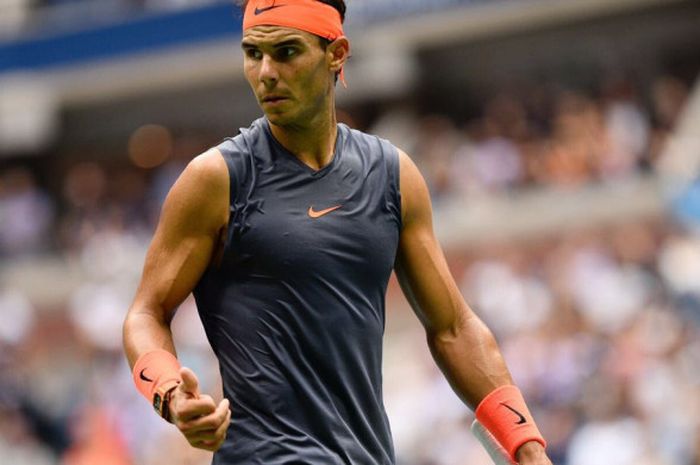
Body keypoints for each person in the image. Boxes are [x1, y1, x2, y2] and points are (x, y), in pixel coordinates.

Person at [123, 1, 553, 464]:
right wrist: (169, 393)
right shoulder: (216, 179)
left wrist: (524, 444)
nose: (265, 72)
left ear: (337, 54)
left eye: (286, 52)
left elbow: (452, 327)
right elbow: (145, 313)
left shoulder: (392, 174)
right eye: (253, 53)